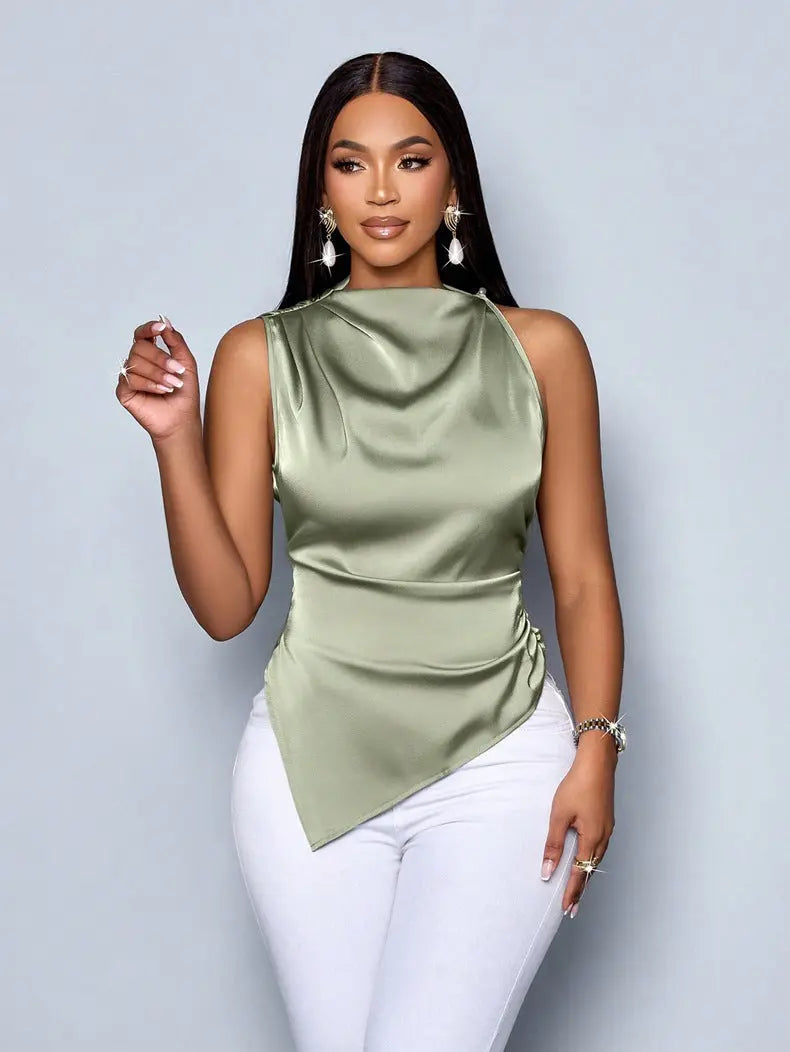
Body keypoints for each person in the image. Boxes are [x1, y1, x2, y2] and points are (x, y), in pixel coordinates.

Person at [115, 50, 626, 1052]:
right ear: (322, 191)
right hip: (306, 763)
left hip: (500, 758)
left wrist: (597, 746)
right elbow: (226, 605)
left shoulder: (543, 350)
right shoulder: (260, 356)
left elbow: (581, 577)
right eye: (351, 164)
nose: (382, 190)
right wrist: (176, 438)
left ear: (453, 182)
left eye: (411, 159)